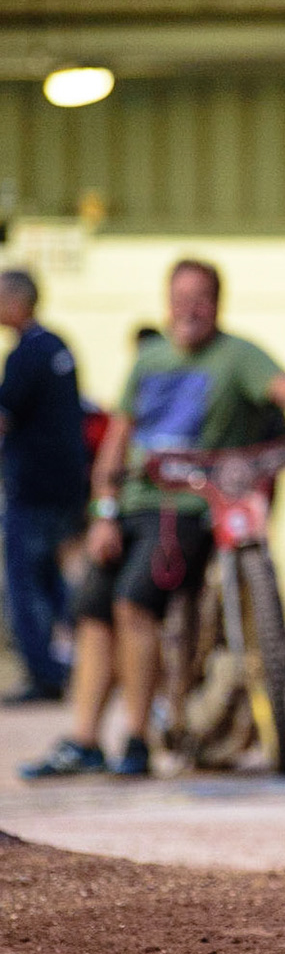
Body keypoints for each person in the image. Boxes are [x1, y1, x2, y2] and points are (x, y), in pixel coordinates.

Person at [20, 259, 285, 779]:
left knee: (134, 601)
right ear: (166, 302)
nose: (189, 308)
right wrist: (103, 513)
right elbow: (115, 444)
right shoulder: (148, 359)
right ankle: (85, 739)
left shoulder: (238, 356)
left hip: (190, 509)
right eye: (181, 297)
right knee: (92, 610)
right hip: (131, 505)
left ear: (218, 303)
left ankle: (136, 738)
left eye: (201, 297)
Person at [0, 270, 89, 704]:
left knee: (26, 581)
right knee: (55, 580)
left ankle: (45, 674)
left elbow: (5, 415)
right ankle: (75, 660)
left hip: (33, 487)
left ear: (18, 302)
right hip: (67, 484)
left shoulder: (27, 354)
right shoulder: (59, 346)